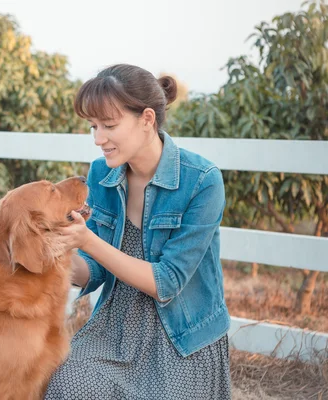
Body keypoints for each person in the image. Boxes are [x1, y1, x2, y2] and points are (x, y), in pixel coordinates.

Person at [44, 64, 232, 399]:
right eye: (93, 126)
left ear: (146, 119)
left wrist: (88, 240)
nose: (99, 139)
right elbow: (96, 268)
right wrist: (57, 249)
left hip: (182, 335)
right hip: (114, 327)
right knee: (64, 385)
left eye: (109, 125)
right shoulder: (102, 172)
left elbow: (168, 282)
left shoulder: (202, 180)